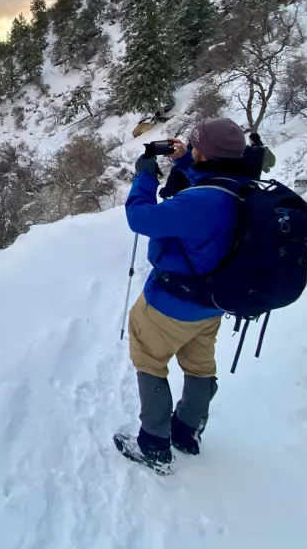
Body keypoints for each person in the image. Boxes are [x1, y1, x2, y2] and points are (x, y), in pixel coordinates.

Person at [117, 117, 254, 472]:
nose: (191, 150)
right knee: (199, 364)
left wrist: (145, 177)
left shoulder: (200, 204)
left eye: (195, 147)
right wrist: (184, 163)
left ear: (206, 154)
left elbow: (142, 219)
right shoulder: (242, 187)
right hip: (211, 302)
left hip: (170, 302)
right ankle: (187, 431)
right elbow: (212, 185)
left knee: (149, 360)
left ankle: (155, 444)